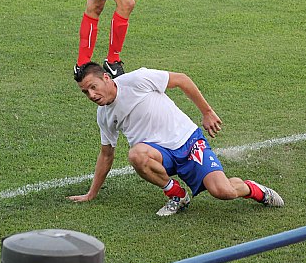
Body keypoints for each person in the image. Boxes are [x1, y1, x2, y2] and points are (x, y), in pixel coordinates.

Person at [69, 63, 284, 216]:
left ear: (106, 78)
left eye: (93, 87)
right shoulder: (104, 116)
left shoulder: (137, 80)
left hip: (188, 142)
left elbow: (181, 79)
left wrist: (207, 112)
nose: (91, 95)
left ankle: (256, 190)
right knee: (136, 155)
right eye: (85, 92)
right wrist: (91, 193)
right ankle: (177, 195)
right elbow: (106, 155)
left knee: (223, 192)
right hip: (160, 155)